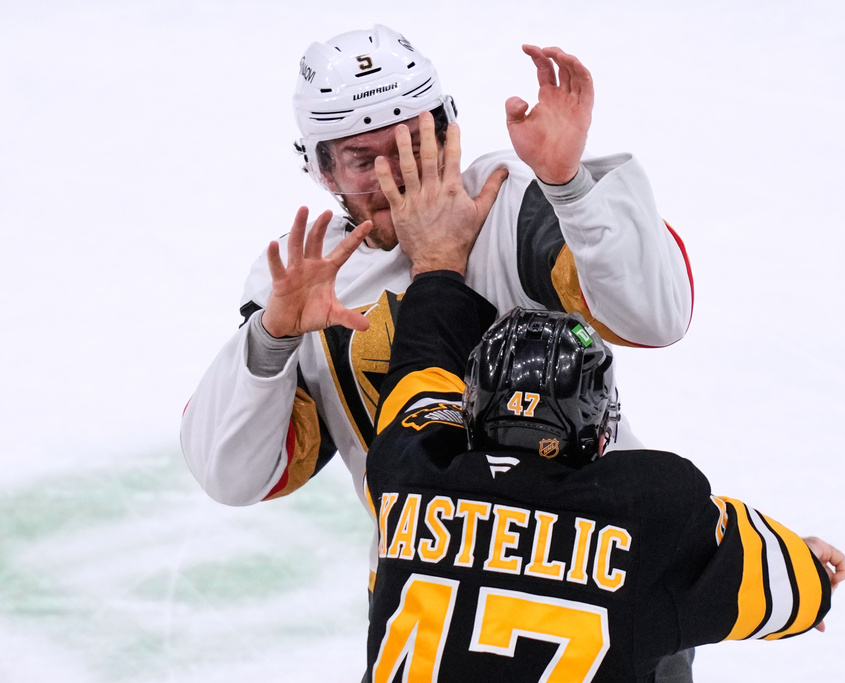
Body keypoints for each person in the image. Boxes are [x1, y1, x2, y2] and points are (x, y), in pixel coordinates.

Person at [180, 23, 695, 679]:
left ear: (449, 129)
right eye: (364, 160)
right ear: (322, 168)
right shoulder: (311, 280)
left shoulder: (515, 206)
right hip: (437, 615)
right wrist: (271, 337)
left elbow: (659, 315)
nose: (395, 176)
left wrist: (568, 185)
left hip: (601, 586)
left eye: (412, 142)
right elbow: (230, 473)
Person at [362, 171, 845, 680]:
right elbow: (790, 589)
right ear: (598, 428)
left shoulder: (407, 469)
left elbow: (423, 372)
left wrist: (438, 265)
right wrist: (807, 566)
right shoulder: (654, 519)